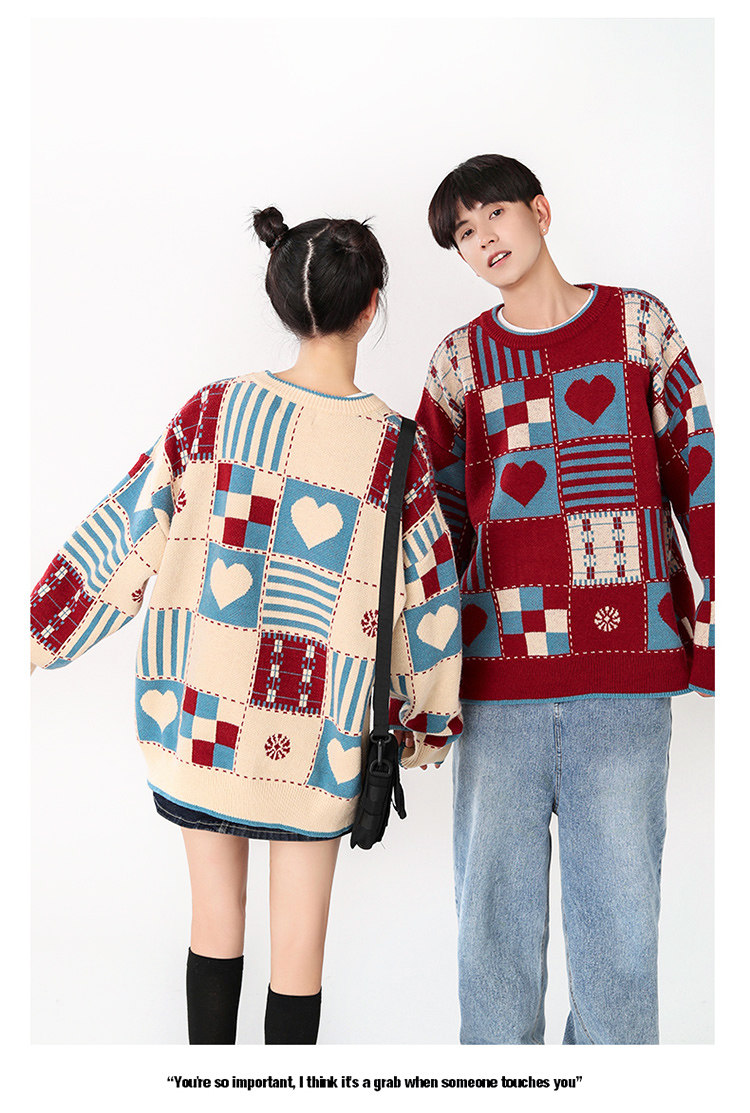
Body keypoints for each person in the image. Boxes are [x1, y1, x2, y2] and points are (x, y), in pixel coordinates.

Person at [30, 206, 463, 1045]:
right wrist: (426, 727)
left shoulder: (212, 413)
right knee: (299, 950)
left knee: (212, 921)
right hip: (322, 737)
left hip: (199, 716)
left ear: (281, 301)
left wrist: (38, 633)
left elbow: (127, 534)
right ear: (372, 306)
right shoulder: (397, 450)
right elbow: (431, 607)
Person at [398, 154, 714, 1044]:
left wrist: (713, 629)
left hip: (627, 677)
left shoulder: (640, 327)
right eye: (464, 233)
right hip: (496, 680)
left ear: (540, 210)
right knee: (492, 942)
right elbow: (430, 526)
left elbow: (701, 476)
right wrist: (413, 679)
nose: (484, 239)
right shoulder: (460, 362)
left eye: (494, 214)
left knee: (621, 945)